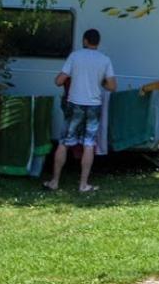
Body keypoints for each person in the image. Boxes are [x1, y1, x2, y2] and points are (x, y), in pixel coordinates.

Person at [44, 28, 117, 192]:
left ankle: (54, 182)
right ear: (98, 42)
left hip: (75, 104)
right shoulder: (104, 60)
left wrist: (72, 77)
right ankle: (83, 184)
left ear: (85, 41)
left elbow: (58, 81)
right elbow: (112, 86)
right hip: (94, 106)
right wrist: (100, 82)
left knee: (64, 142)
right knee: (89, 144)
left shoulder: (75, 56)